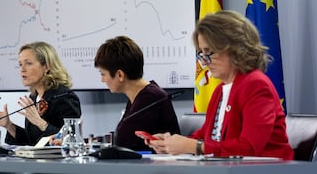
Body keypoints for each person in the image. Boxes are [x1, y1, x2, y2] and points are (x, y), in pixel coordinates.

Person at [147, 10, 294, 160]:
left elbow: (249, 147)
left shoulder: (256, 85)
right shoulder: (220, 90)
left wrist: (192, 147)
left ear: (234, 49)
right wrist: (170, 144)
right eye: (201, 54)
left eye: (209, 53)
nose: (203, 62)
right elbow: (205, 136)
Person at [0, 41, 81, 146]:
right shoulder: (34, 97)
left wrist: (40, 123)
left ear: (46, 67)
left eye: (28, 63)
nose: (22, 69)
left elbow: (71, 140)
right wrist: (9, 125)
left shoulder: (65, 97)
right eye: (20, 64)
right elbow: (31, 142)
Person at [94, 36, 180, 151]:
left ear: (120, 75)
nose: (102, 80)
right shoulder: (139, 96)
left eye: (103, 74)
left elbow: (124, 140)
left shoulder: (151, 98)